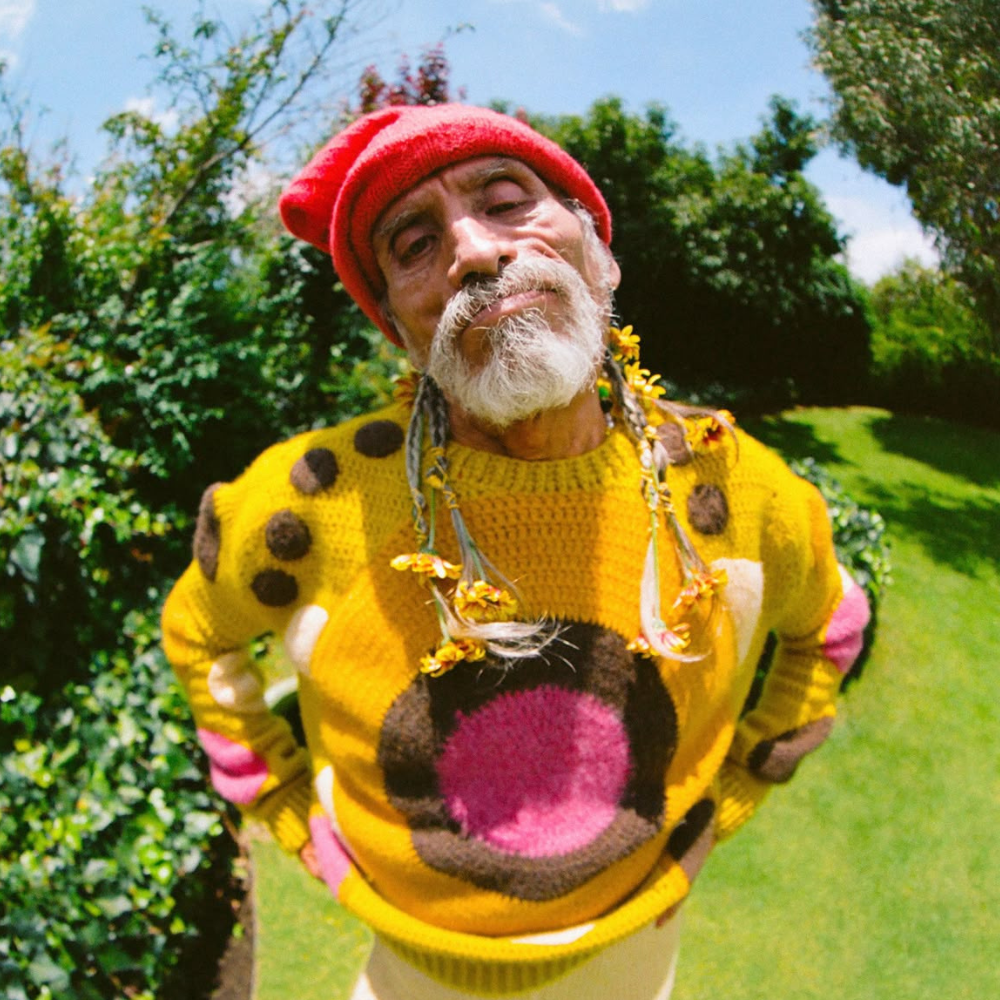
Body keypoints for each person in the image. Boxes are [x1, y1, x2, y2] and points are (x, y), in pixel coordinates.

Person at [161, 104, 871, 1000]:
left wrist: (727, 799)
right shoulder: (313, 500)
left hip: (634, 949)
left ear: (595, 247)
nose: (476, 251)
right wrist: (283, 805)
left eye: (506, 200)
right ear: (397, 325)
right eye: (414, 243)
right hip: (408, 966)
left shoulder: (738, 485)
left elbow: (831, 629)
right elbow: (197, 632)